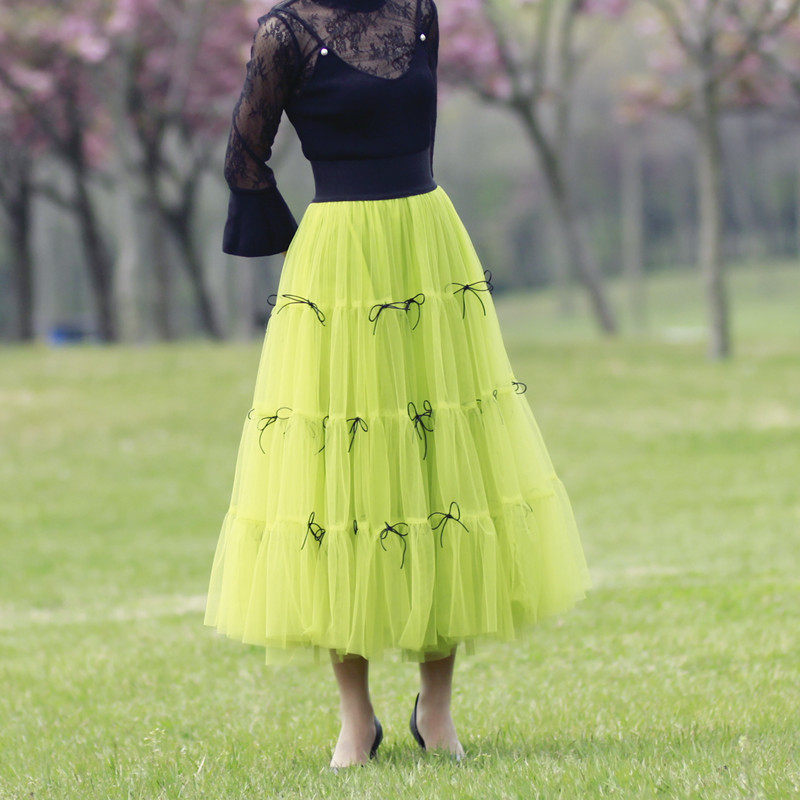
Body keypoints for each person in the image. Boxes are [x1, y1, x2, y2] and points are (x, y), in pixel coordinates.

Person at [203, 0, 592, 769]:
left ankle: (435, 710)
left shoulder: (418, 12)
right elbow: (243, 158)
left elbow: (420, 128)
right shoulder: (286, 31)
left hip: (428, 250)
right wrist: (303, 242)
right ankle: (357, 720)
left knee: (441, 467)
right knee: (337, 483)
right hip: (339, 269)